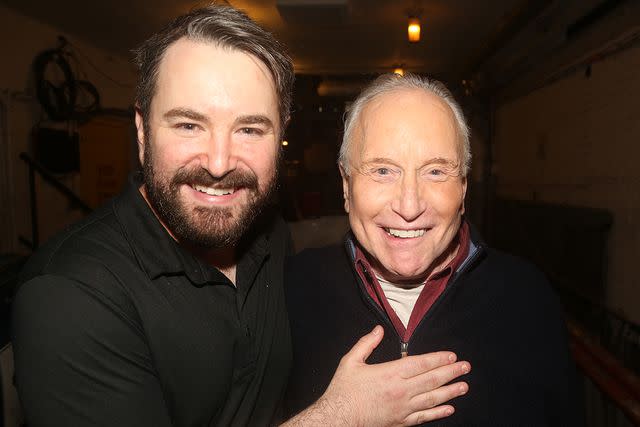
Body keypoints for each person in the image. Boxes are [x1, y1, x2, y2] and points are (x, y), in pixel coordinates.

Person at [11, 5, 471, 427]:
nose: (218, 161)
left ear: (280, 139)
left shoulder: (265, 234)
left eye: (250, 128)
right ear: (142, 129)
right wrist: (340, 416)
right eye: (189, 124)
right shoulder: (69, 295)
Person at [284, 73, 581, 425]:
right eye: (382, 170)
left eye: (436, 171)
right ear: (346, 186)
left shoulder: (528, 298)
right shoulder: (290, 290)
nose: (409, 206)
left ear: (464, 189)